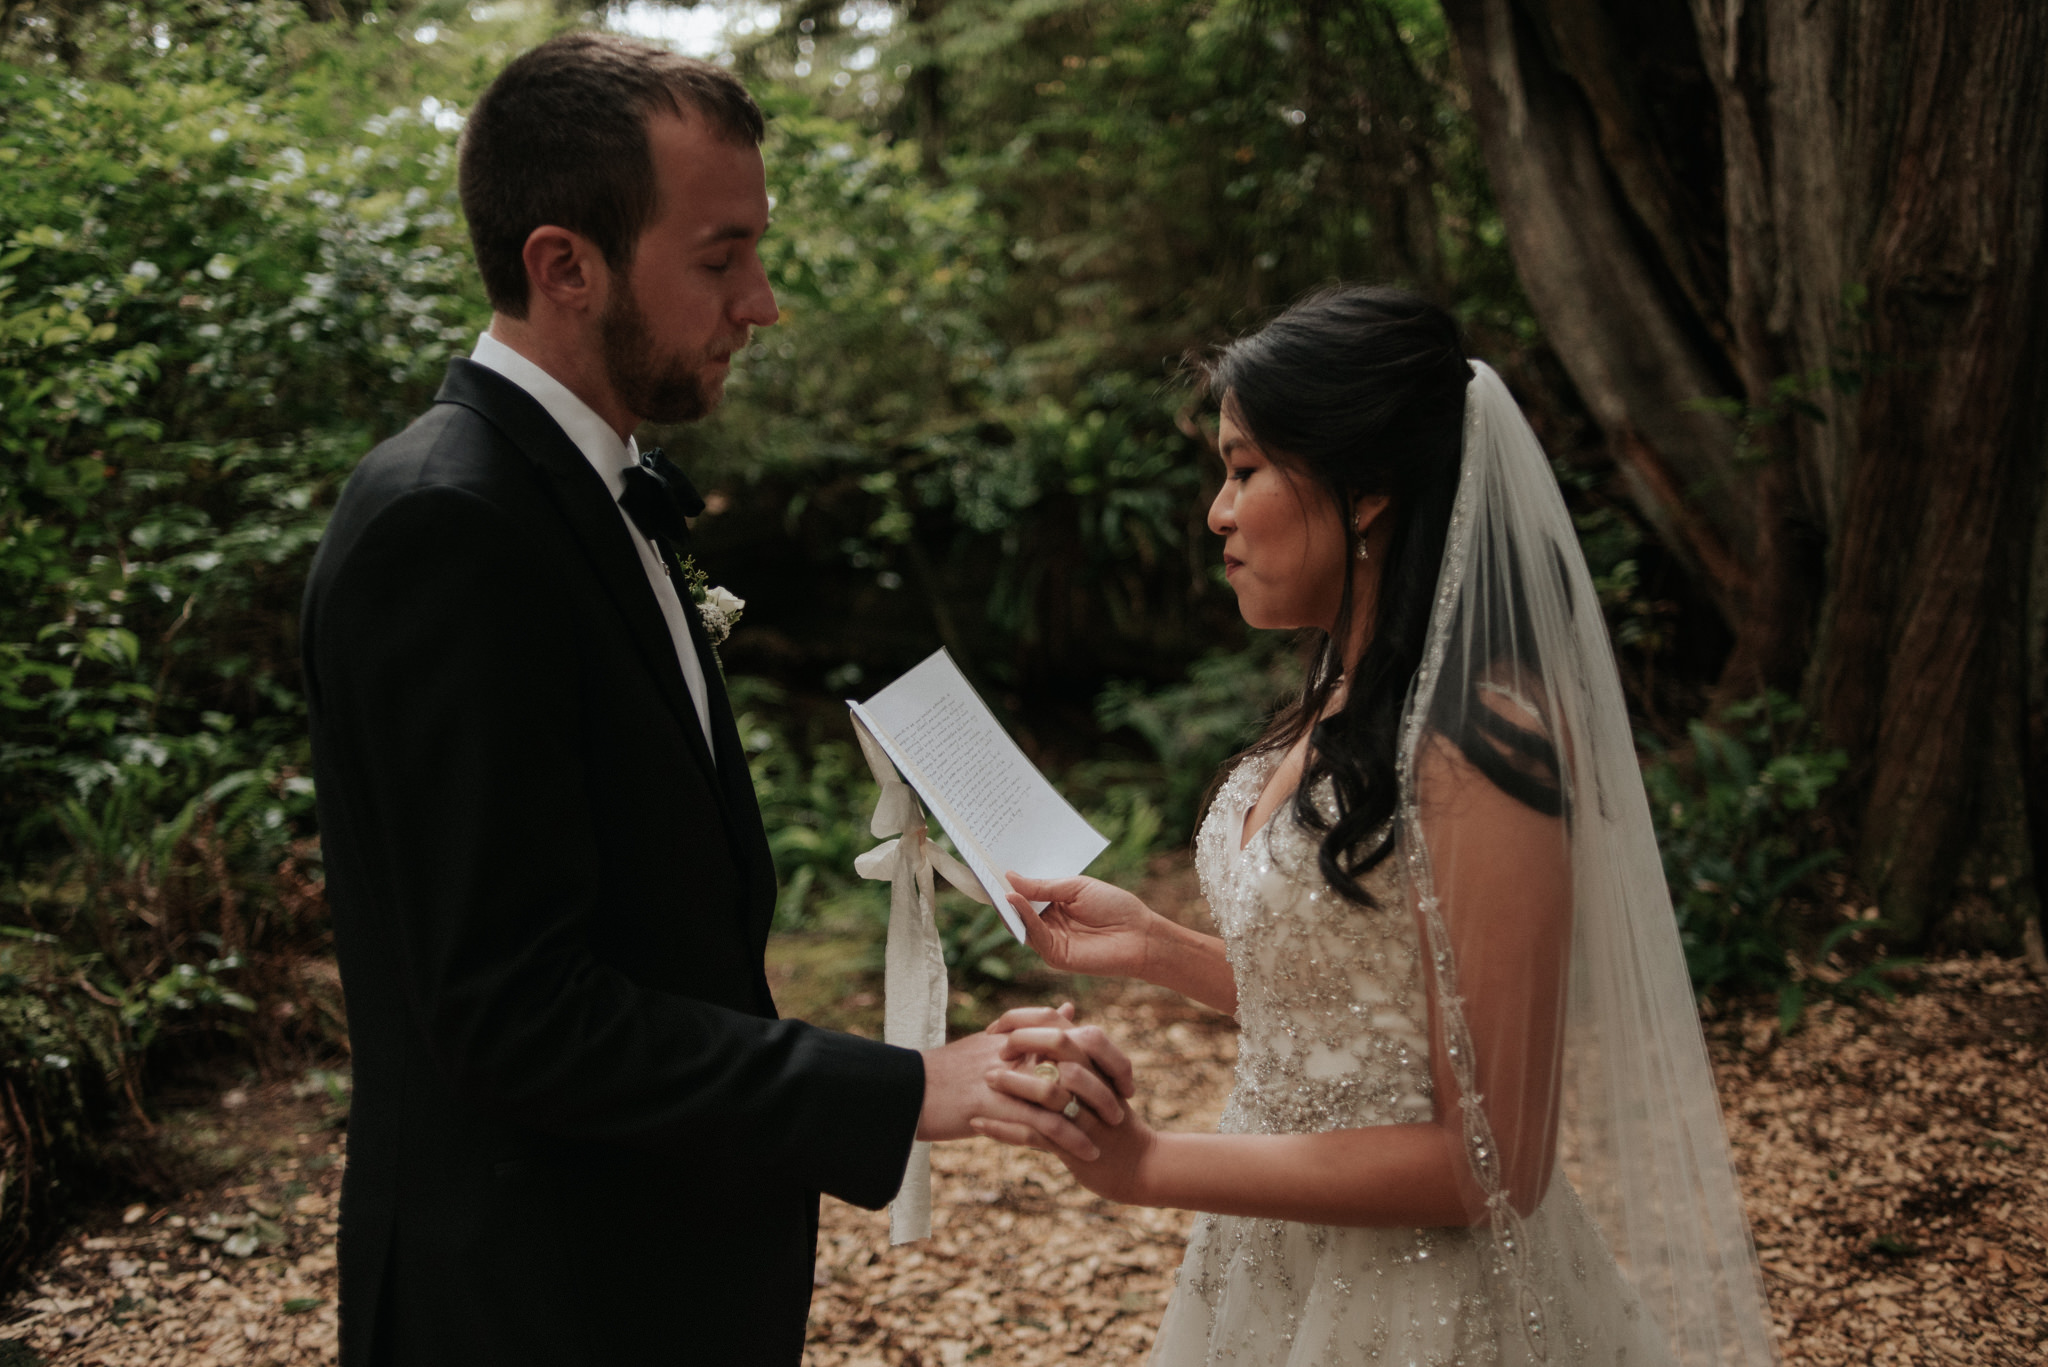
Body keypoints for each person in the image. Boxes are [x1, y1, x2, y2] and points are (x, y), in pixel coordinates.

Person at [299, 32, 1131, 1367]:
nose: (764, 302)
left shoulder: (591, 488)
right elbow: (512, 1013)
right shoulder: (446, 526)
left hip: (657, 1266)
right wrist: (910, 1085)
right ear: (564, 265)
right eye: (719, 256)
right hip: (534, 1300)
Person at [977, 287, 1778, 1365]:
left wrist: (1149, 1162)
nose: (1216, 510)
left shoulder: (1481, 744)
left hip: (1424, 1306)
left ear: (1362, 492)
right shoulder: (1340, 704)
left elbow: (1490, 1161)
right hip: (1269, 1263)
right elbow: (1373, 1005)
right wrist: (1155, 949)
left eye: (1245, 467)